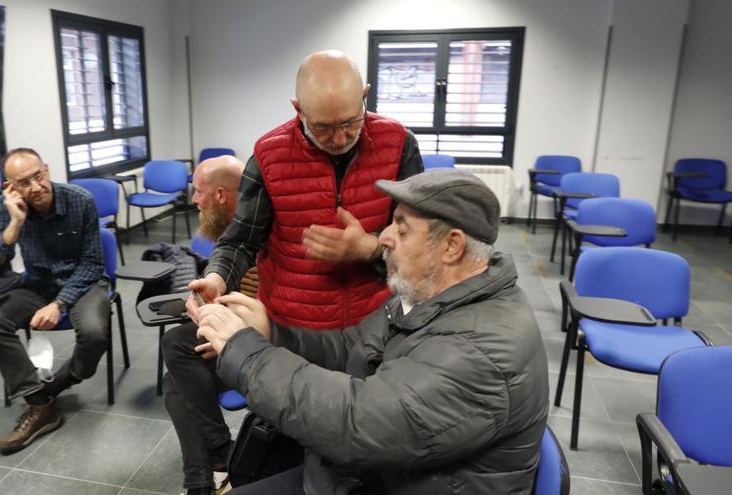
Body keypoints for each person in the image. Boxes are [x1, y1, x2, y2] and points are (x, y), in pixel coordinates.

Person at [197, 170, 550, 494]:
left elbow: (357, 425)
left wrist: (246, 354)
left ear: (451, 246)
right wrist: (272, 334)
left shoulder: (482, 349)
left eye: (401, 227)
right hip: (373, 476)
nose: (383, 237)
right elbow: (352, 346)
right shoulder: (428, 294)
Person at [188, 49, 423, 330]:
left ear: (365, 95)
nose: (339, 138)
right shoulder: (268, 155)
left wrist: (370, 247)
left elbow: (419, 235)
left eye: (350, 122)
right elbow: (240, 241)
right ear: (298, 109)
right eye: (322, 127)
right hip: (292, 327)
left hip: (375, 321)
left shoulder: (398, 143)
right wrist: (216, 279)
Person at [0, 148, 109, 454]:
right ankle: (39, 404)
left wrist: (59, 304)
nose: (36, 187)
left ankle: (54, 388)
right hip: (37, 284)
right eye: (24, 182)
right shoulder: (8, 207)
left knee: (93, 333)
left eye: (39, 176)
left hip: (84, 282)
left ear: (47, 170)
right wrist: (14, 222)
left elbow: (92, 263)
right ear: (10, 187)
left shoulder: (80, 199)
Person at [162, 155, 258, 495]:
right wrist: (206, 304)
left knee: (174, 354)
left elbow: (268, 310)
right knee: (175, 373)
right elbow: (230, 289)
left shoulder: (260, 236)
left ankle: (217, 455)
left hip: (265, 343)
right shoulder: (226, 234)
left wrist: (225, 329)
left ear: (220, 195)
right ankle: (205, 478)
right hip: (238, 332)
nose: (193, 200)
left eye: (198, 191)